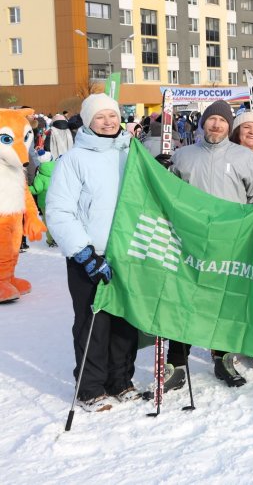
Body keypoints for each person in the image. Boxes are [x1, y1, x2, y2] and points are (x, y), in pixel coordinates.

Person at [166, 100, 253, 388]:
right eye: (211, 119)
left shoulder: (243, 157)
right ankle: (176, 363)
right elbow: (168, 194)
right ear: (203, 123)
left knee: (224, 300)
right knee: (184, 299)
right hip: (189, 240)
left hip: (229, 242)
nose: (216, 125)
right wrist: (163, 173)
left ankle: (223, 359)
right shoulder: (183, 155)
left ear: (229, 126)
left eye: (222, 121)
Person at [46, 93, 139, 411]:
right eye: (100, 117)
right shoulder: (74, 159)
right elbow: (59, 211)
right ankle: (90, 387)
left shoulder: (131, 153)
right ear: (87, 121)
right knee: (93, 322)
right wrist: (84, 254)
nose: (108, 121)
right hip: (90, 255)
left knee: (125, 322)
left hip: (127, 251)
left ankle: (121, 380)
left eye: (112, 116)